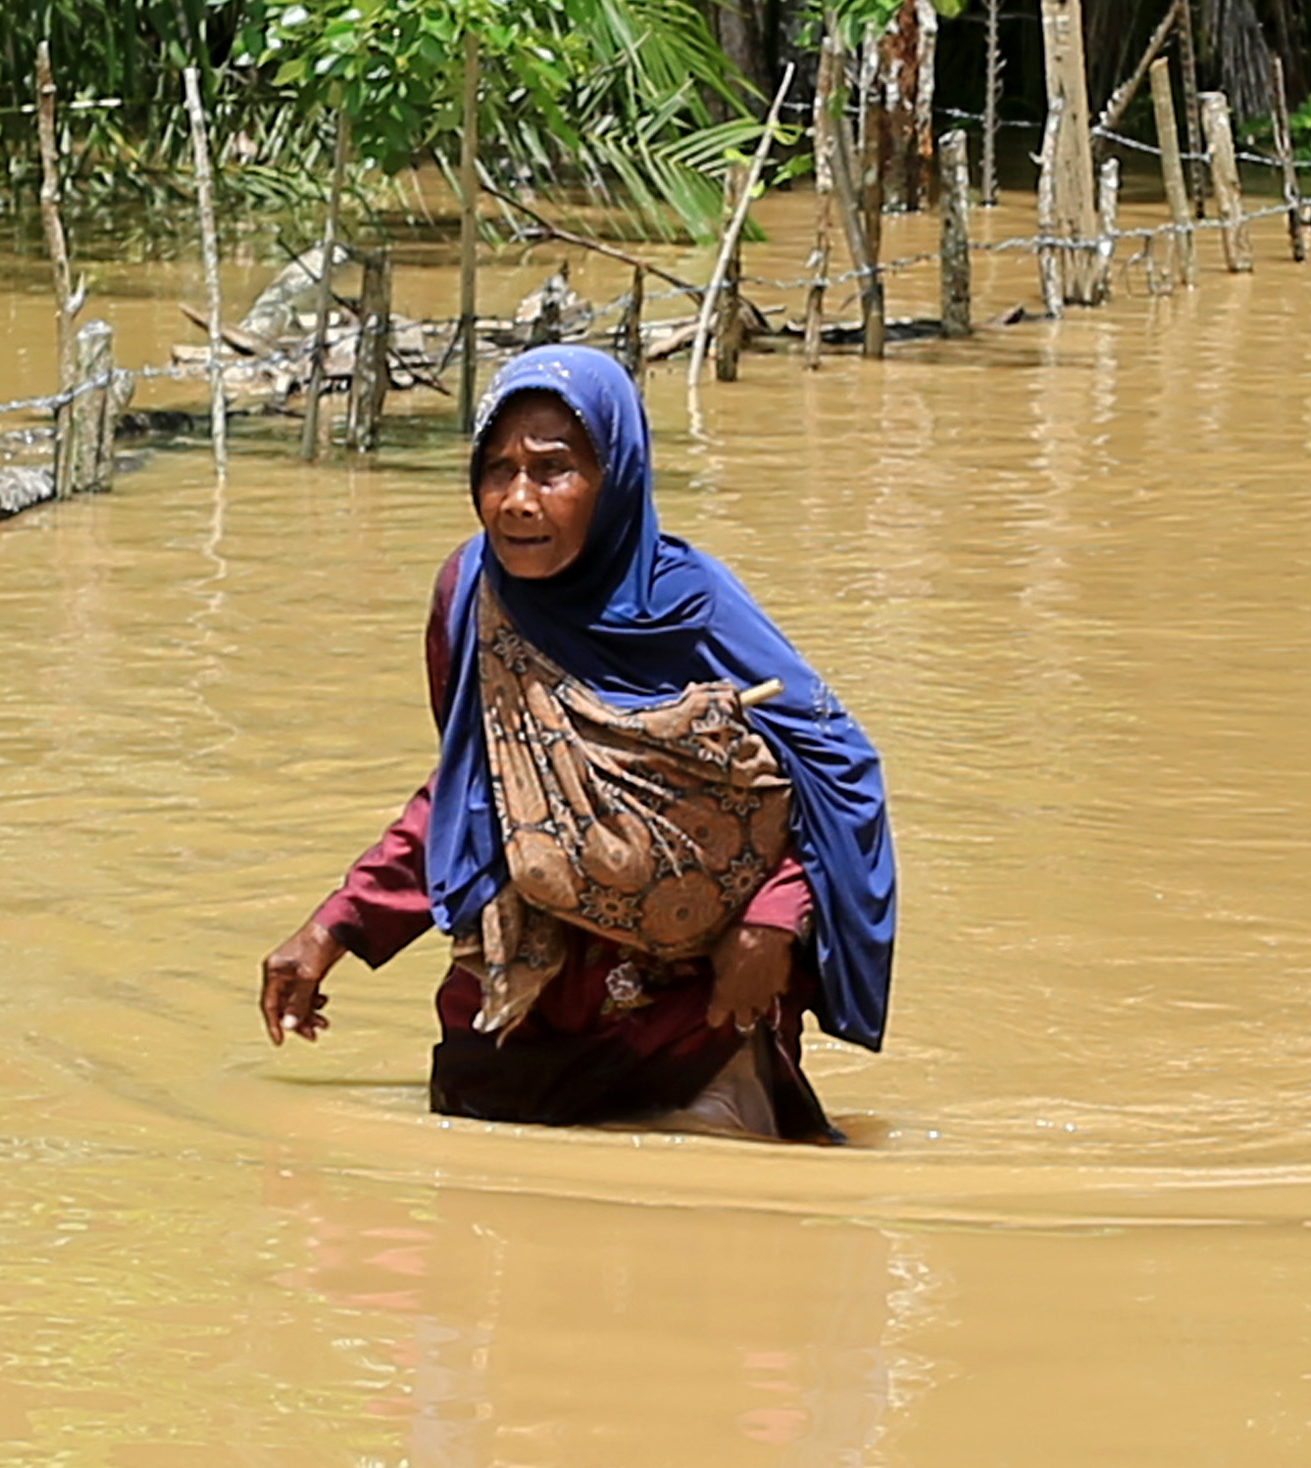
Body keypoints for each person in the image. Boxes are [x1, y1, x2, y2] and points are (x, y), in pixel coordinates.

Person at [258, 344, 895, 1141]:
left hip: (693, 1013)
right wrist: (337, 927)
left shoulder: (689, 607)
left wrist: (773, 921)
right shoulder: (472, 597)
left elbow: (836, 772)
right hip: (522, 1008)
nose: (518, 500)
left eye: (553, 469)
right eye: (498, 469)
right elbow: (483, 788)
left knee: (717, 1205)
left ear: (614, 476)